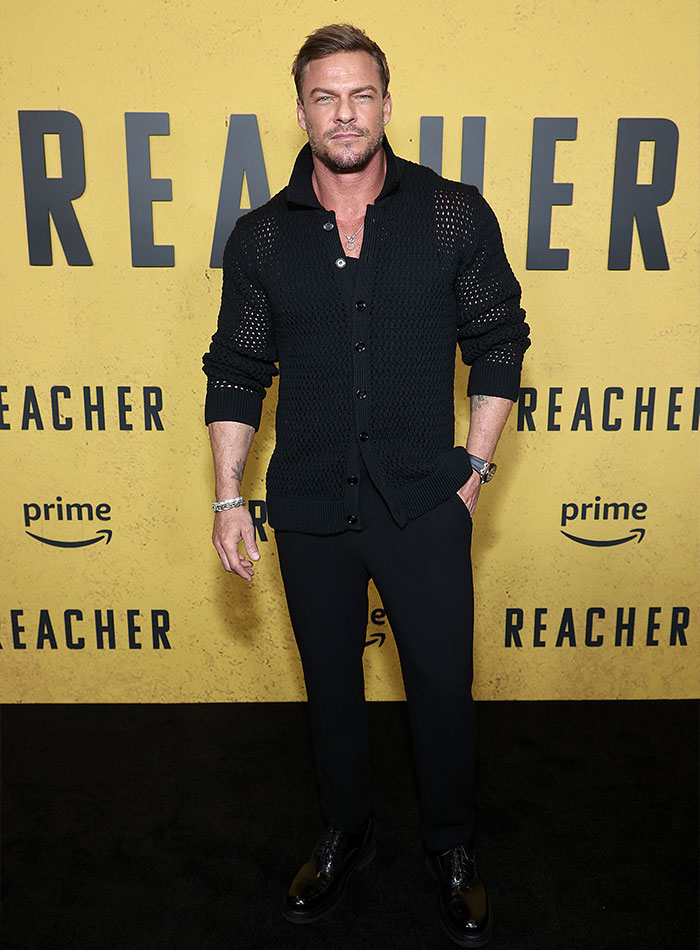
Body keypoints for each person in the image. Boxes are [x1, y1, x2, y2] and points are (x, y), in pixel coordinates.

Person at [202, 23, 530, 948]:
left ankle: (452, 849)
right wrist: (230, 495)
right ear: (300, 108)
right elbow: (236, 367)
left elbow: (499, 340)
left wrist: (473, 472)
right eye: (323, 96)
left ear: (386, 104)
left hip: (425, 500)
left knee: (440, 685)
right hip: (307, 506)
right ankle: (347, 833)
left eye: (360, 95)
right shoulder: (263, 237)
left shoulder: (451, 213)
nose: (343, 113)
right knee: (331, 689)